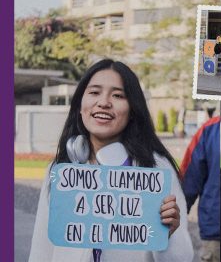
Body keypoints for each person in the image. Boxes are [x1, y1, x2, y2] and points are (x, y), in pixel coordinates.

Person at [29, 59, 194, 262]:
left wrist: (168, 234)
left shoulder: (158, 170)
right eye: (94, 92)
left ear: (132, 110)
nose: (104, 102)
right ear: (80, 106)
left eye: (117, 95)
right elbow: (41, 249)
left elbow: (181, 258)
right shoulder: (59, 170)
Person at [179, 105, 220, 262]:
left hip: (218, 228)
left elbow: (189, 180)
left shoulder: (210, 130)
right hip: (218, 229)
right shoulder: (209, 130)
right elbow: (190, 178)